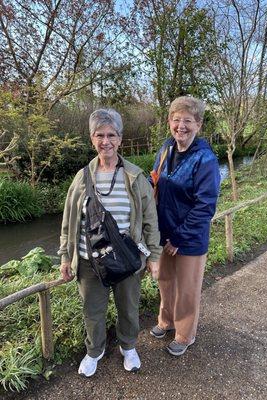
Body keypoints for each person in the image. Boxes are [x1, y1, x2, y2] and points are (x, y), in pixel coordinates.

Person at [58, 108, 161, 377]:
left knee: (129, 308)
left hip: (127, 259)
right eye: (100, 135)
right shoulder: (82, 178)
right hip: (89, 262)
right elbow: (69, 221)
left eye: (111, 135)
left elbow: (151, 220)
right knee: (92, 311)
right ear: (92, 139)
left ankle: (128, 347)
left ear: (120, 138)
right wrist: (65, 256)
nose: (106, 141)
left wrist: (154, 257)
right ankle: (95, 351)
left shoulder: (135, 177)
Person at [150, 96, 220, 356]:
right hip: (164, 231)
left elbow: (205, 206)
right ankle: (166, 321)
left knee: (187, 288)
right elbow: (155, 178)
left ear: (198, 124)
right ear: (169, 122)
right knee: (165, 280)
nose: (181, 126)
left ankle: (184, 333)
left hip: (188, 238)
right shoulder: (166, 148)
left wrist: (178, 238)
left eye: (188, 121)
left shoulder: (206, 160)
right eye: (176, 119)